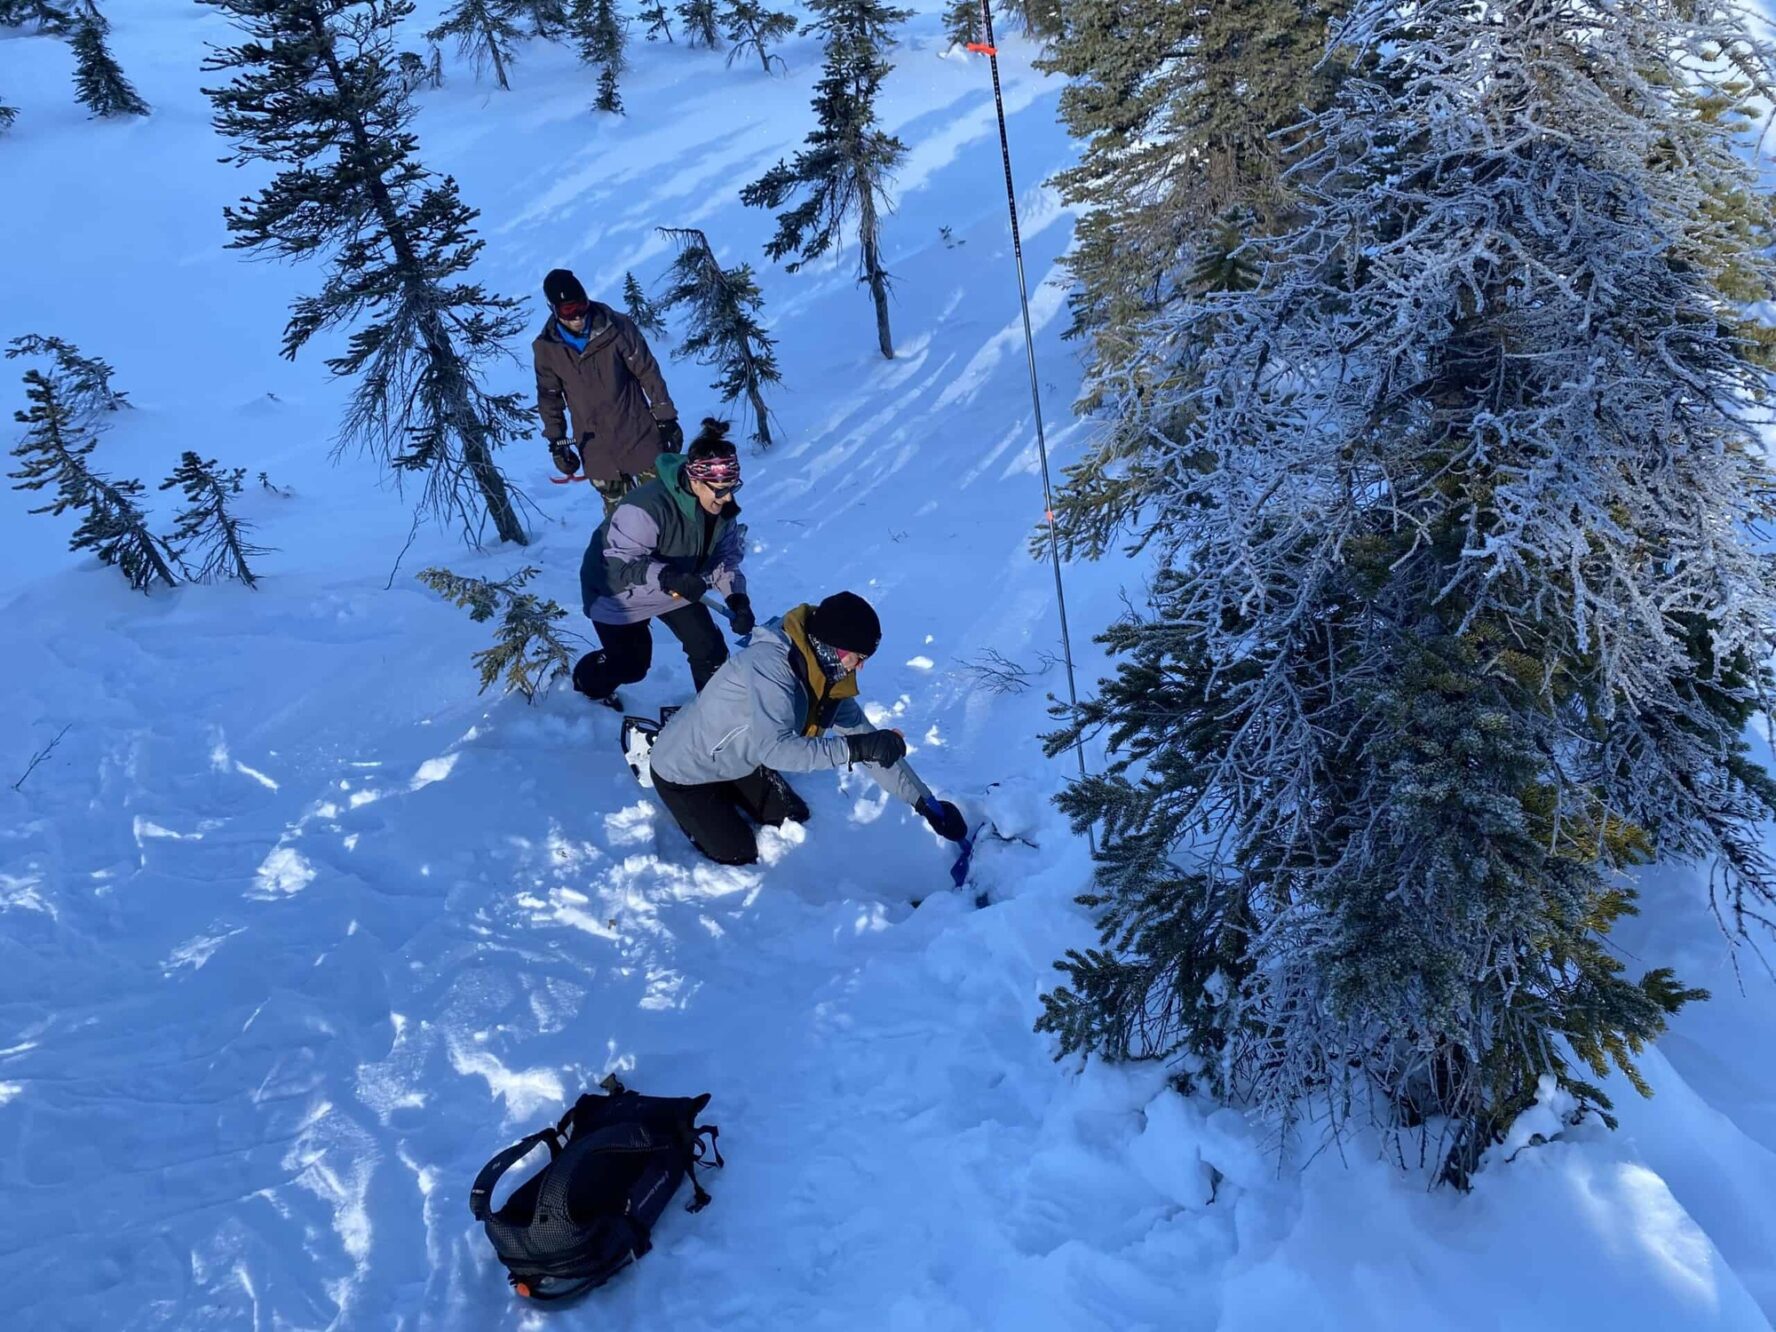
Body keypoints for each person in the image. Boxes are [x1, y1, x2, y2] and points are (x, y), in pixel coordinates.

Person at [645, 590, 969, 867]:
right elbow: (776, 750)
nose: (861, 666)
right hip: (685, 769)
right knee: (738, 852)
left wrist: (924, 803)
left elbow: (864, 739)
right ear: (834, 646)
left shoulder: (826, 674)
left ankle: (728, 788)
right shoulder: (770, 666)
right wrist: (856, 750)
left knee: (793, 816)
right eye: (858, 656)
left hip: (740, 759)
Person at [573, 419, 753, 705]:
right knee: (631, 667)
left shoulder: (722, 510)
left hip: (676, 587)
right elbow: (618, 563)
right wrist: (668, 576)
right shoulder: (647, 507)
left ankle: (714, 715)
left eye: (732, 487)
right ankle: (586, 682)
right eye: (719, 490)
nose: (727, 497)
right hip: (617, 592)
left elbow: (726, 558)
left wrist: (737, 598)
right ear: (695, 481)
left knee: (711, 652)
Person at [533, 268, 684, 513]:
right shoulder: (546, 349)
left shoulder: (617, 327)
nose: (577, 316)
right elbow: (550, 398)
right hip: (596, 449)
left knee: (664, 509)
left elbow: (648, 372)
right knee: (622, 523)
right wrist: (557, 441)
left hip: (639, 435)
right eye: (568, 310)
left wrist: (666, 418)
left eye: (581, 305)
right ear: (553, 309)